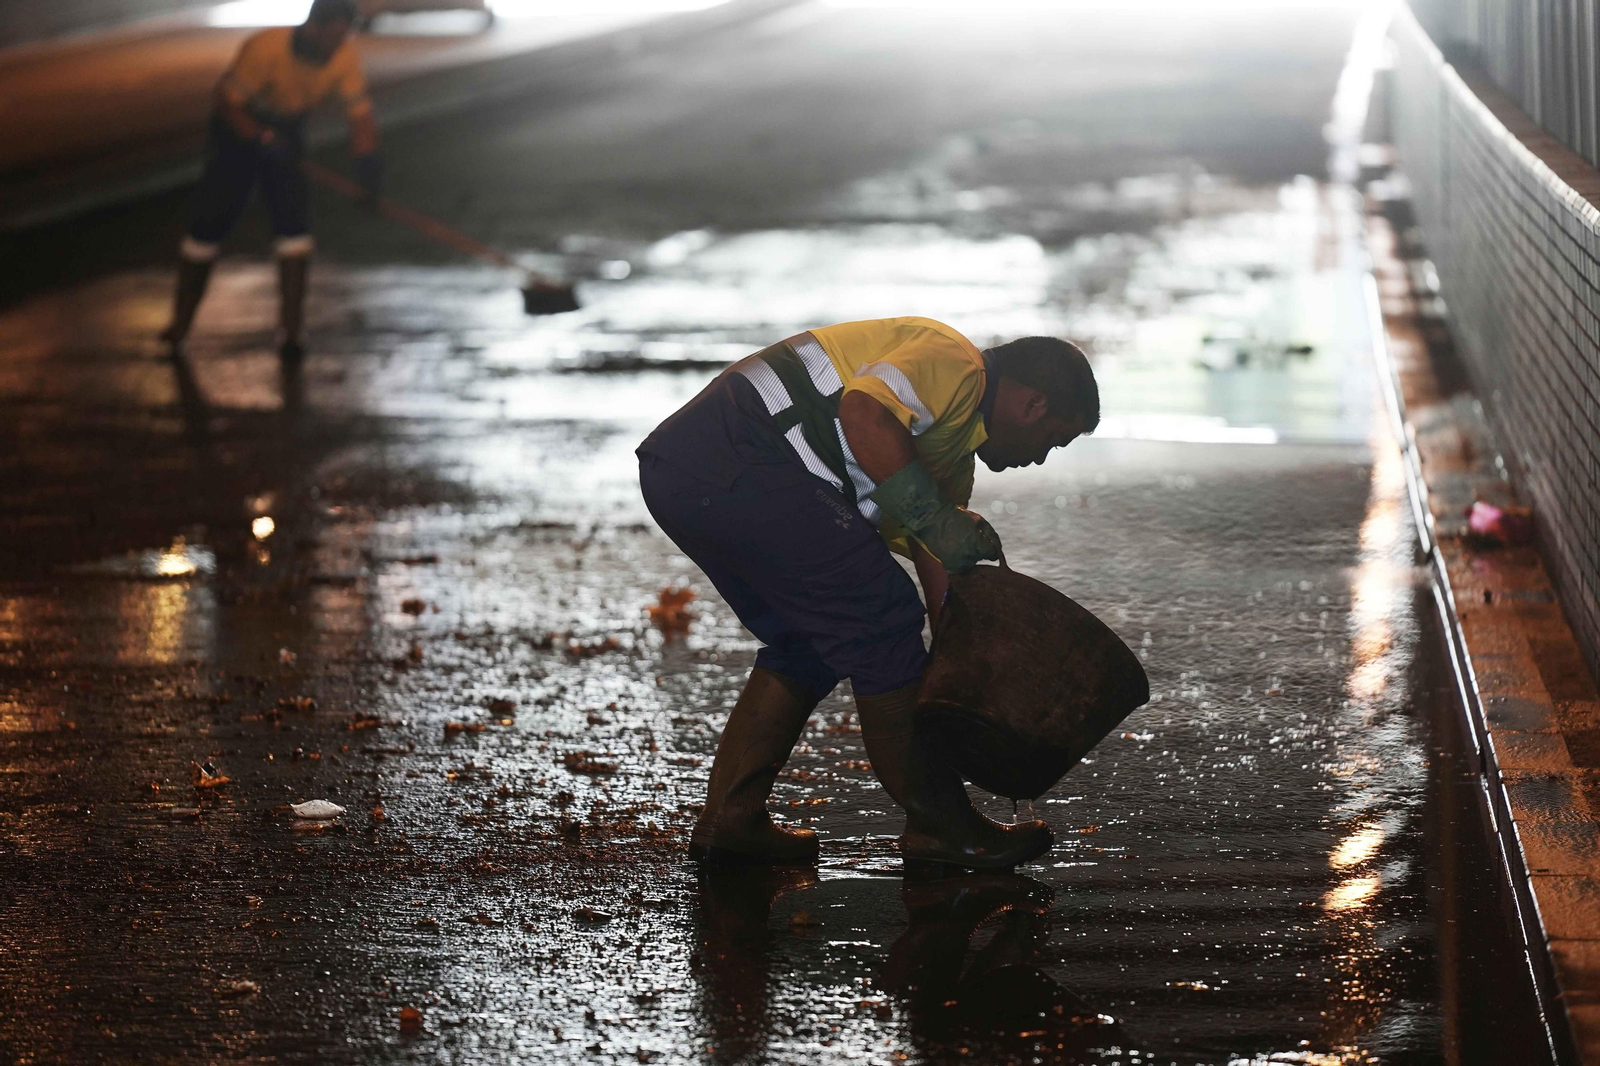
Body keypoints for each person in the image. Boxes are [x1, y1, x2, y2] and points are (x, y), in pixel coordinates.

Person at [638, 318, 1099, 871]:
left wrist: (959, 659)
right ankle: (942, 827)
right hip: (737, 454)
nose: (1042, 457)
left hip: (693, 471)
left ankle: (731, 821)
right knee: (880, 617)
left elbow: (936, 557)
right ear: (1033, 406)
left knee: (811, 640)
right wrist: (931, 519)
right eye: (1055, 439)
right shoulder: (957, 364)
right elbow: (864, 411)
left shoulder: (949, 455)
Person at [160, 0, 382, 365]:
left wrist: (368, 169)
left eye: (345, 36)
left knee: (294, 228)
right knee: (208, 224)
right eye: (333, 36)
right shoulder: (266, 48)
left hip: (288, 132)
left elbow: (361, 118)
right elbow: (227, 101)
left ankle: (292, 330)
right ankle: (180, 324)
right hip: (238, 132)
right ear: (313, 27)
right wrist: (260, 138)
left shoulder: (344, 58)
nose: (337, 45)